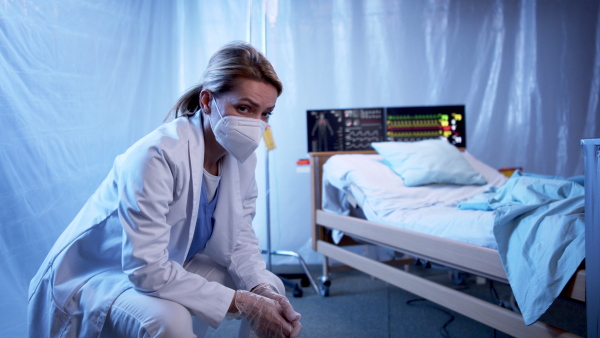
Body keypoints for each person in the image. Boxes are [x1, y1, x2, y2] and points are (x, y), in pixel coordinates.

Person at [27, 41, 302, 338]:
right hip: (102, 275)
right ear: (207, 101)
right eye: (244, 108)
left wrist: (258, 290)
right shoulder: (158, 155)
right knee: (169, 321)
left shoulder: (241, 160)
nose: (255, 124)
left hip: (169, 264)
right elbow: (145, 269)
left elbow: (239, 239)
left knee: (270, 288)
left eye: (265, 114)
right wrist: (243, 303)